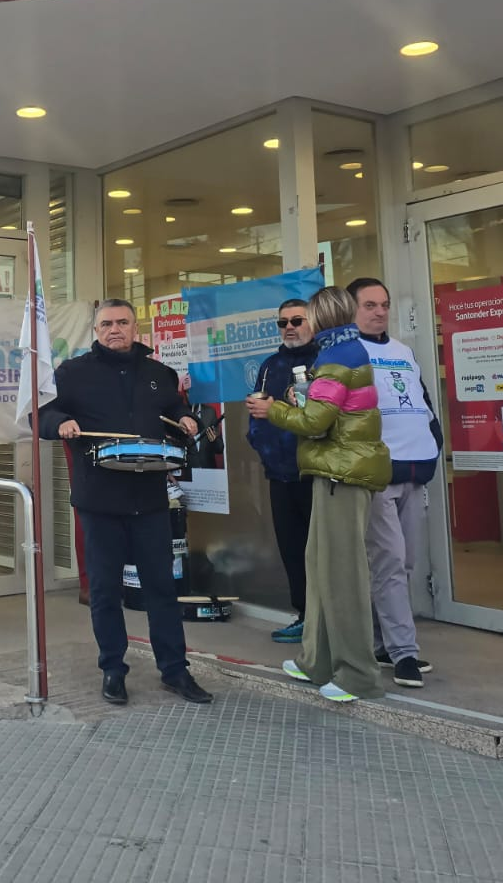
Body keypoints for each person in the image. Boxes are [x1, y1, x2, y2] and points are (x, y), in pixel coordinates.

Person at [39, 300, 211, 705]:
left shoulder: (159, 374)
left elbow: (173, 408)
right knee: (104, 591)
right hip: (99, 500)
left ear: (136, 328)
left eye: (122, 322)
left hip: (149, 498)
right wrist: (60, 423)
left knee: (161, 589)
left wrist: (186, 418)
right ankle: (113, 670)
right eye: (106, 324)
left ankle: (175, 670)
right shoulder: (72, 373)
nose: (114, 329)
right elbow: (43, 415)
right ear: (95, 330)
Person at [248, 286, 389, 703]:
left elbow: (315, 422)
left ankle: (358, 675)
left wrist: (272, 409)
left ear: (319, 317)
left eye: (303, 317)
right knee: (321, 569)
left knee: (342, 577)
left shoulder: (335, 358)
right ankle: (318, 660)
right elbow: (330, 411)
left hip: (340, 475)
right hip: (333, 471)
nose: (295, 326)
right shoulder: (345, 353)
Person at [348, 277, 444, 689]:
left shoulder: (403, 351)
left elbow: (423, 403)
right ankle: (404, 652)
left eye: (384, 304)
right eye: (369, 305)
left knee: (403, 564)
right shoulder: (347, 354)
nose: (380, 311)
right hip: (378, 475)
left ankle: (380, 642)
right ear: (352, 309)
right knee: (388, 562)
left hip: (416, 471)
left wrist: (434, 443)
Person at [245, 298, 320, 644]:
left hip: (317, 474)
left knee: (322, 551)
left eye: (297, 320)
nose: (289, 327)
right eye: (282, 322)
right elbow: (257, 413)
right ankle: (304, 616)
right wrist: (261, 444)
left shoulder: (325, 361)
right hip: (279, 473)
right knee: (292, 550)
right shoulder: (270, 365)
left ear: (313, 322)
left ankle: (329, 622)